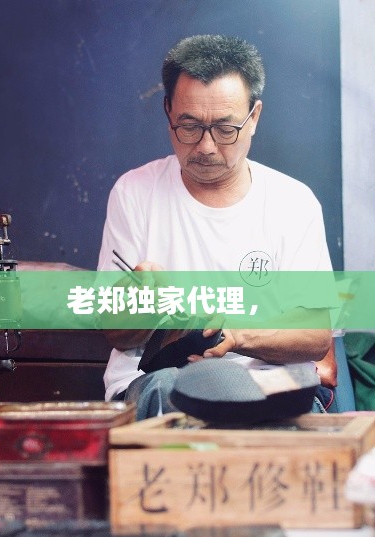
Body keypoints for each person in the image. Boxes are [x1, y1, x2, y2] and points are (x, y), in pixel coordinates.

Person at [98, 34, 333, 419]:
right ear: (168, 111)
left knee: (291, 413)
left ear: (254, 117)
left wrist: (239, 336)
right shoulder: (134, 193)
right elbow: (117, 335)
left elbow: (314, 337)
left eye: (225, 129)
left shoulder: (294, 202)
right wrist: (140, 303)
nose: (206, 147)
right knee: (168, 391)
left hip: (265, 382)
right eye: (189, 126)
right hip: (161, 382)